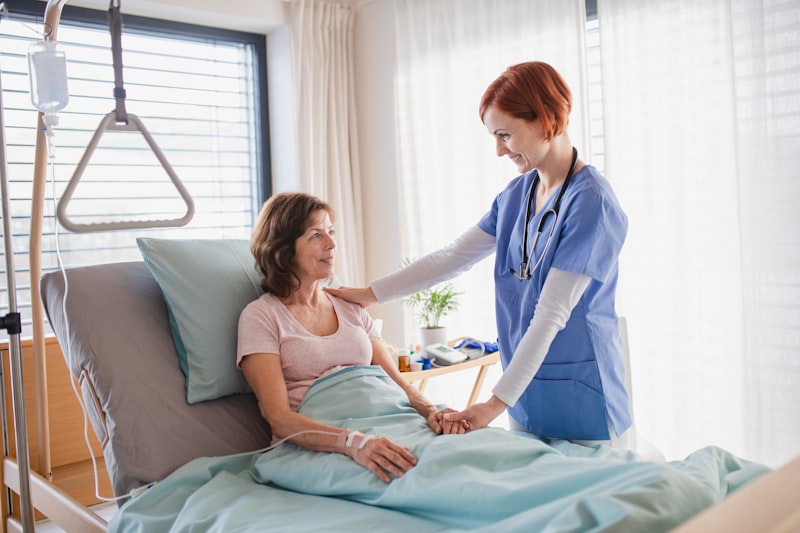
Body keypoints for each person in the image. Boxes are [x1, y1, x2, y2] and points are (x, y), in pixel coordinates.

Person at [326, 61, 632, 448]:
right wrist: (370, 294)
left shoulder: (591, 203)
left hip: (582, 401)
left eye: (505, 135)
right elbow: (453, 257)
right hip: (525, 398)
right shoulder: (516, 196)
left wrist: (490, 406)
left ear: (544, 119)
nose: (499, 150)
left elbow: (551, 313)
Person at [237, 192, 464, 484]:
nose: (332, 244)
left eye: (331, 231)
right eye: (316, 234)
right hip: (327, 444)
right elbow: (279, 418)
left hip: (393, 421)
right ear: (283, 248)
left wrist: (432, 413)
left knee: (474, 451)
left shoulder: (348, 306)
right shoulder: (261, 317)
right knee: (431, 478)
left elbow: (396, 382)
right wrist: (355, 443)